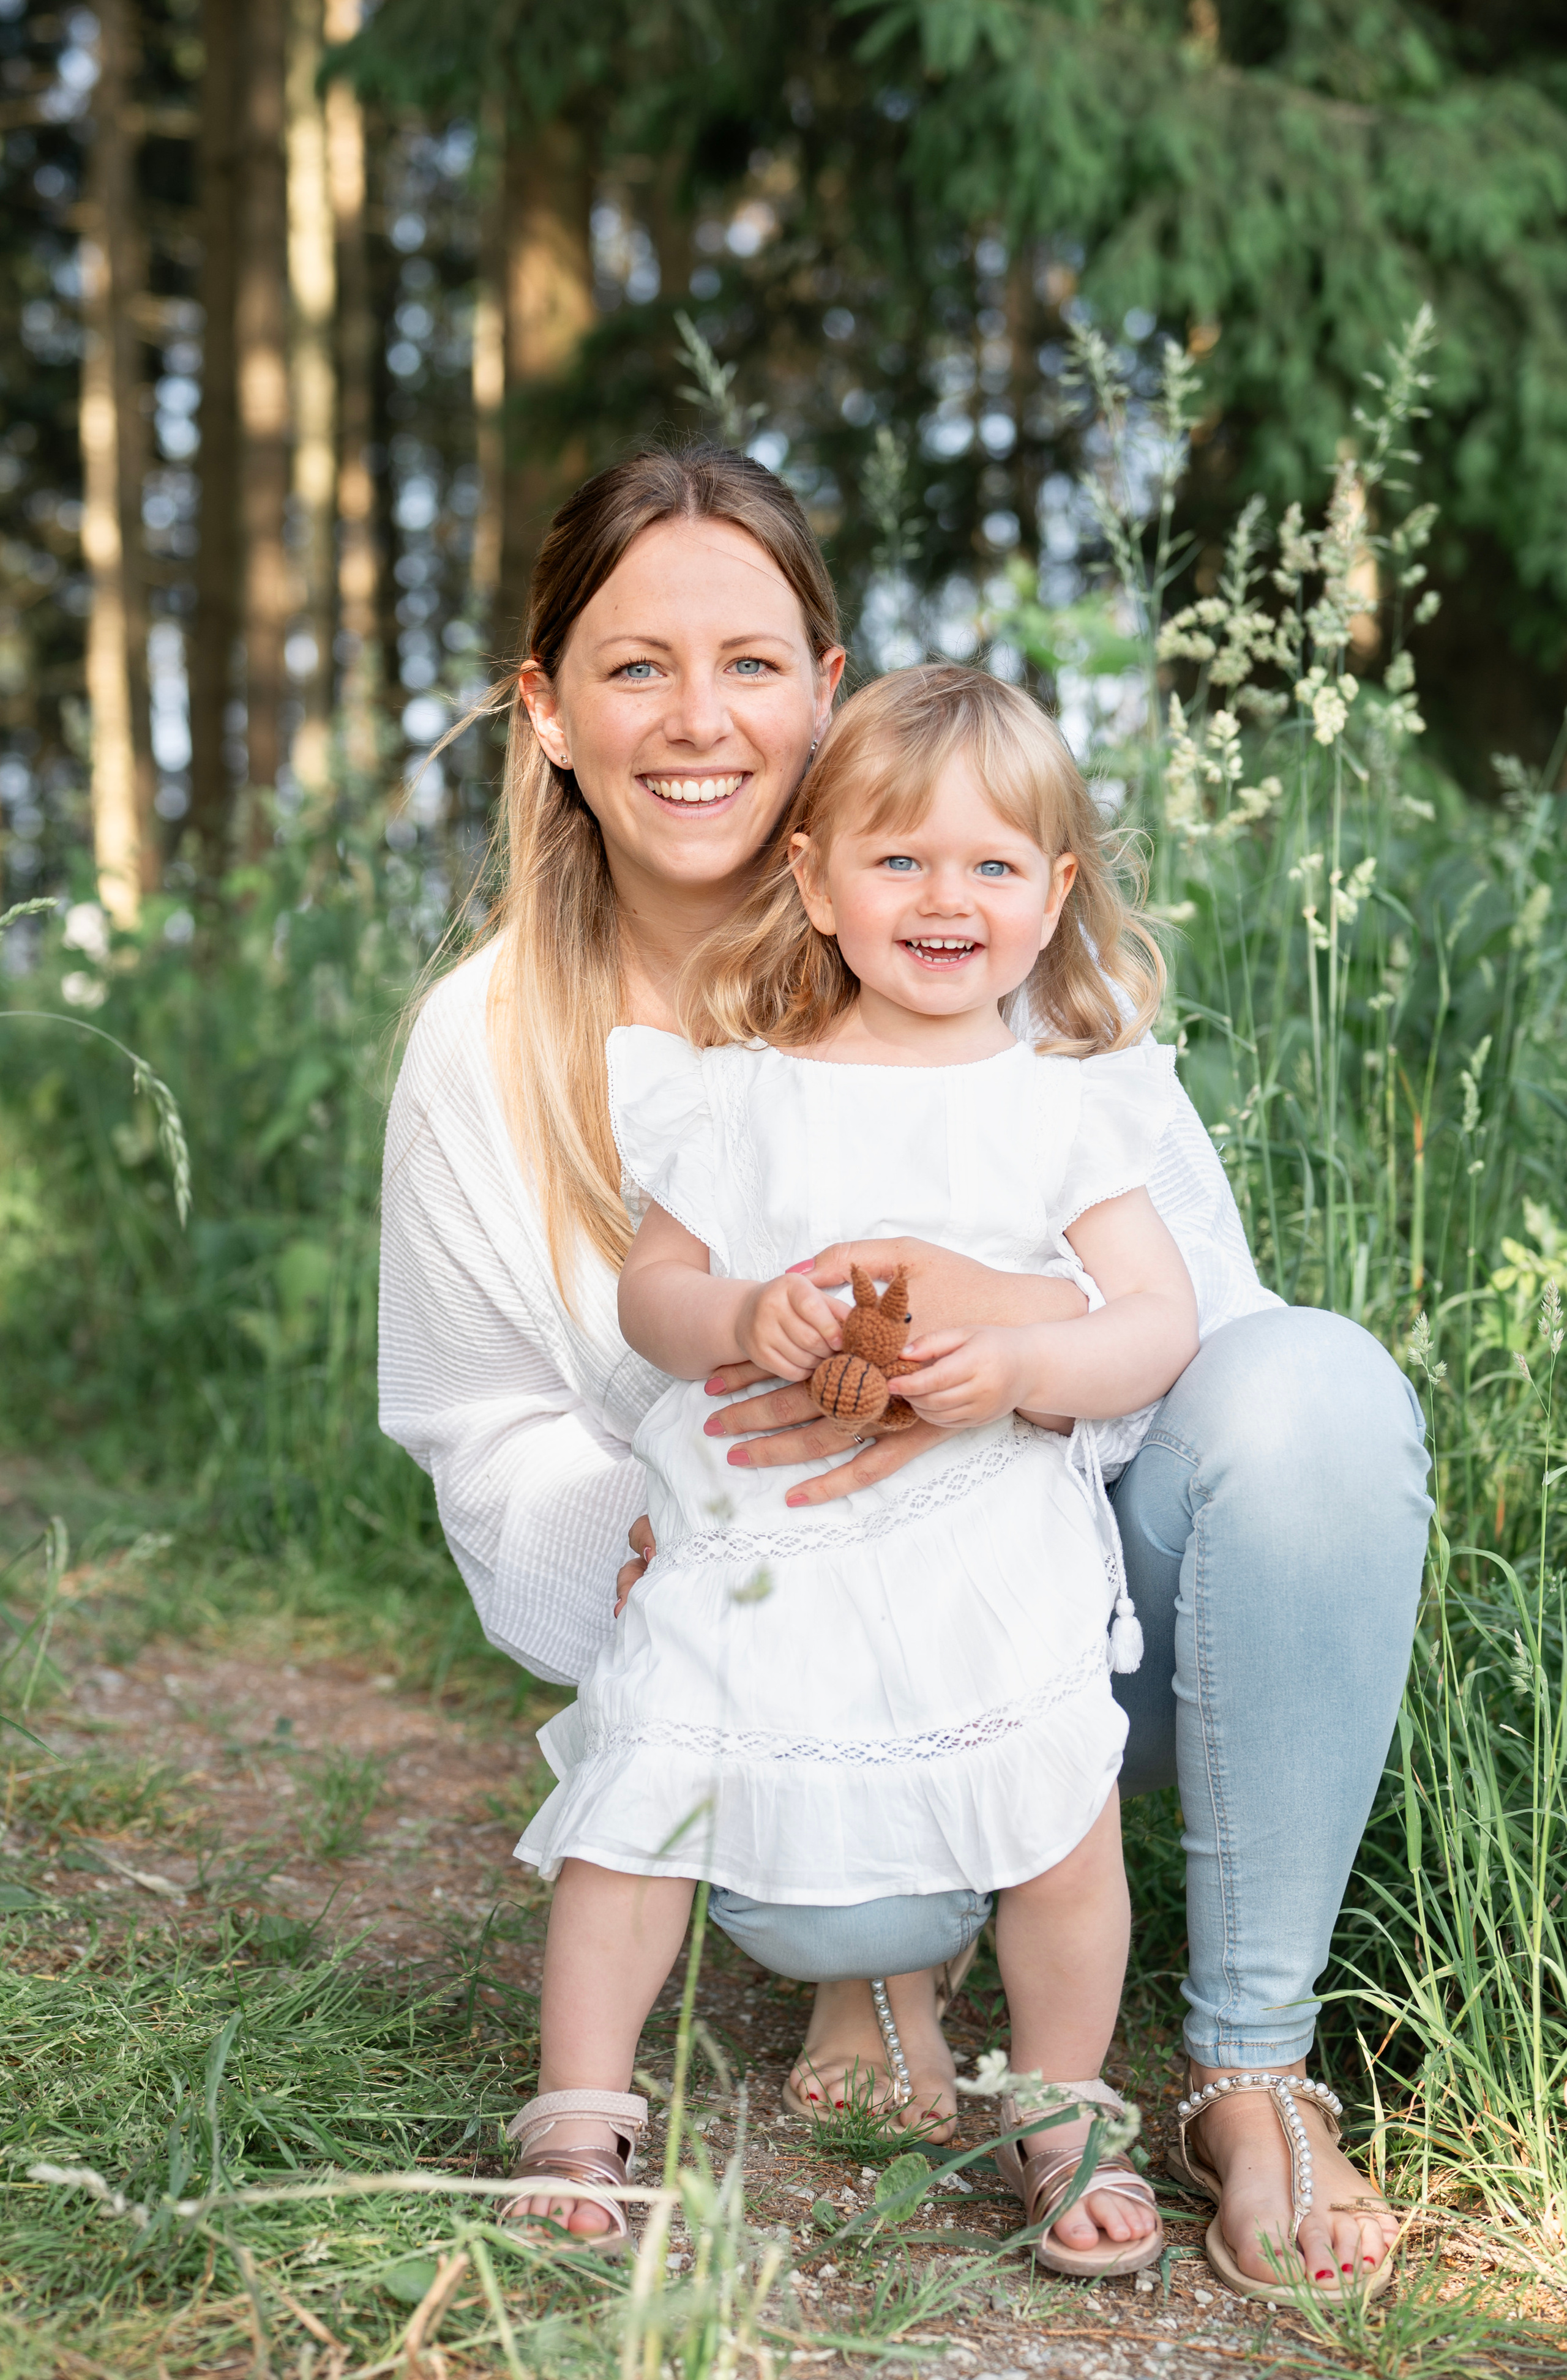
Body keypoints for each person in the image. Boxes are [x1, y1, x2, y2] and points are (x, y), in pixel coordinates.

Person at [378, 444, 1431, 2297]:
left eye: (750, 662)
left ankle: (1250, 2069)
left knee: (1323, 1396)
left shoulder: (1008, 979)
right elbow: (484, 1419)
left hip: (1035, 1606)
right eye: (634, 667)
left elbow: (1214, 1362)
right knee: (840, 1897)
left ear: (826, 687)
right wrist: (634, 1515)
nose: (697, 718)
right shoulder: (500, 1049)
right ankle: (865, 1972)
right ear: (544, 708)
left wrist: (995, 1335)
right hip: (753, 1618)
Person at [508, 665, 1194, 2271]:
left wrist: (1021, 1366)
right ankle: (580, 2103)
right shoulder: (739, 1088)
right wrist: (742, 1312)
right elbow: (651, 1296)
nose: (946, 899)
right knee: (644, 1794)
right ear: (815, 882)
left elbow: (1156, 1322)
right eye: (899, 860)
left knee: (1058, 1820)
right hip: (760, 1533)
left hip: (982, 1537)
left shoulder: (1066, 1107)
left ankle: (1062, 2101)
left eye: (991, 865)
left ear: (1054, 895)